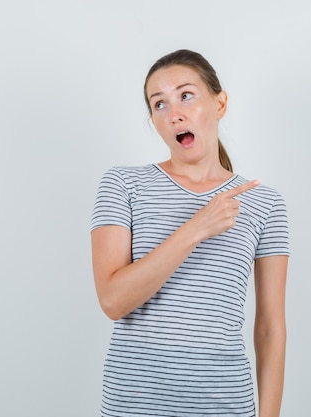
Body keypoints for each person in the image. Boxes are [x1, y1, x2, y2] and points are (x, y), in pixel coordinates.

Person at [90, 49, 289, 417]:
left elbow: (270, 328)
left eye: (185, 95)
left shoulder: (265, 204)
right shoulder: (123, 184)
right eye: (159, 104)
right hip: (134, 405)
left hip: (226, 405)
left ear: (220, 103)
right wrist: (197, 227)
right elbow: (113, 301)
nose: (174, 112)